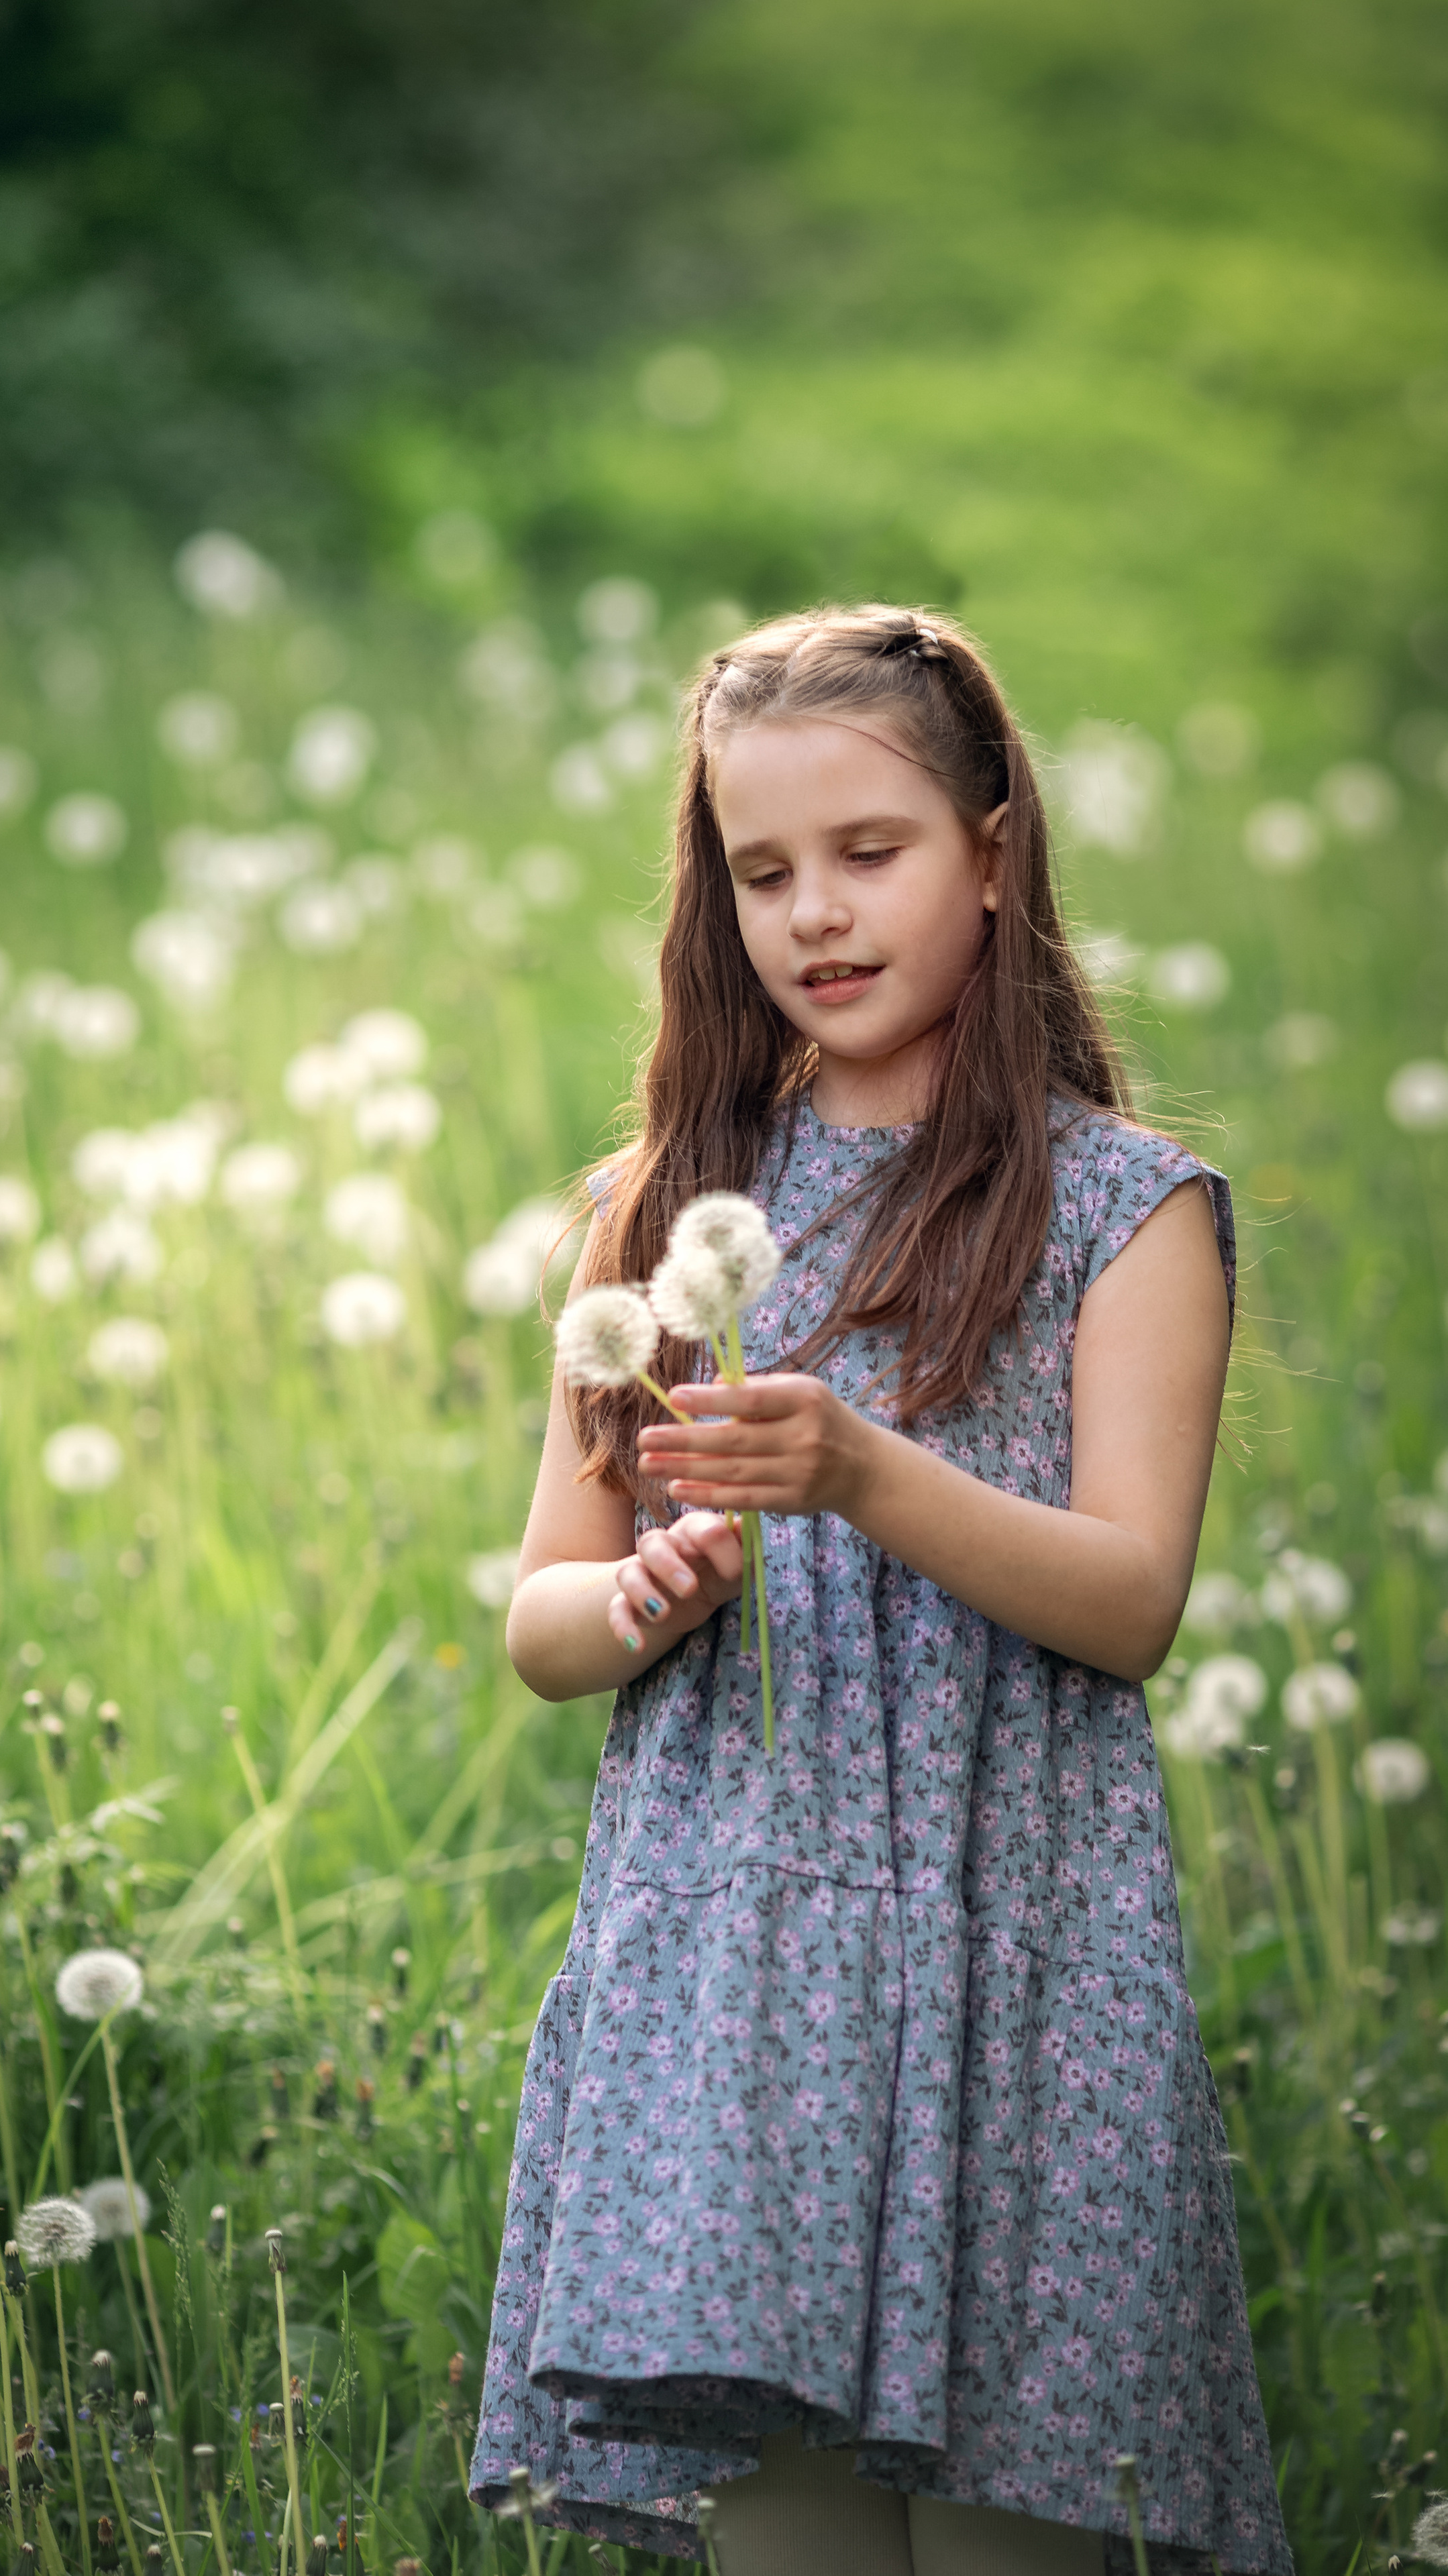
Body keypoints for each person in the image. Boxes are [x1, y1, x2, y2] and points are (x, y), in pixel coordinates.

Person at [468, 604, 1290, 2576]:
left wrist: (865, 1472)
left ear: (994, 854)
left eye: (873, 852)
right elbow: (541, 1622)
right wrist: (651, 1599)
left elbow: (1127, 1601)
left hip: (1022, 1981)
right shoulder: (662, 1207)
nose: (817, 915)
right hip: (740, 1985)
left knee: (1026, 2530)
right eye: (765, 873)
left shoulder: (1126, 1210)